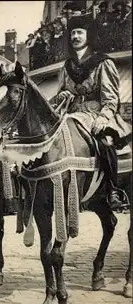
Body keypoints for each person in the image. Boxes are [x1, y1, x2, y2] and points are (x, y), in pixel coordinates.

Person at [50, 14, 131, 210]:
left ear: (88, 36)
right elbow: (60, 94)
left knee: (105, 141)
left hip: (97, 114)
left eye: (80, 32)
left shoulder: (103, 62)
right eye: (73, 33)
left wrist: (104, 118)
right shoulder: (66, 66)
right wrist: (62, 96)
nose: (75, 36)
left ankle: (112, 190)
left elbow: (111, 98)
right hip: (71, 114)